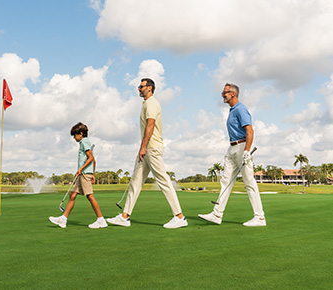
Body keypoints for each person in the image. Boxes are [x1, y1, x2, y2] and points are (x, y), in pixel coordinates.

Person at [107, 78, 188, 229]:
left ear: (149, 88)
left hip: (152, 148)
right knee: (135, 182)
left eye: (141, 86)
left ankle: (180, 217)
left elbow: (150, 125)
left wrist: (143, 147)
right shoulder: (146, 103)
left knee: (163, 181)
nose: (139, 89)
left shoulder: (151, 103)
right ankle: (124, 217)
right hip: (147, 148)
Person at [198, 83, 266, 227]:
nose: (222, 95)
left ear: (233, 94)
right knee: (225, 181)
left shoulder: (241, 109)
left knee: (249, 183)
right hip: (232, 148)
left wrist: (247, 151)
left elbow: (250, 131)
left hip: (242, 147)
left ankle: (259, 217)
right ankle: (217, 214)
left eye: (225, 93)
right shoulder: (232, 110)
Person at [49, 122, 107, 229]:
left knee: (90, 196)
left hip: (84, 173)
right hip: (84, 173)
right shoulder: (84, 143)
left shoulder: (84, 142)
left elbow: (90, 158)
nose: (74, 138)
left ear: (81, 134)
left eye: (75, 135)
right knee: (72, 195)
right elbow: (93, 160)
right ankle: (63, 219)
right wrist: (93, 173)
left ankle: (101, 220)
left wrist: (81, 169)